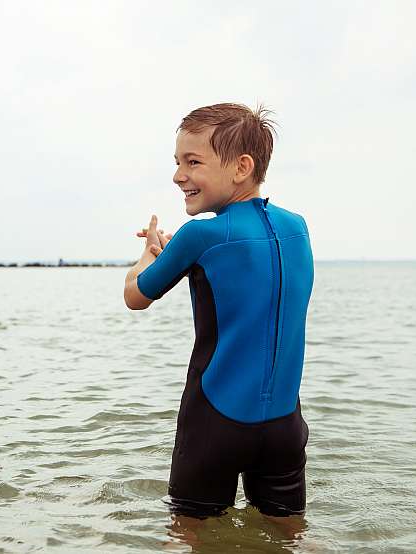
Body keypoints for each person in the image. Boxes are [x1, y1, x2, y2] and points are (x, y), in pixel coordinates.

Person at [123, 103, 314, 518]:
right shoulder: (297, 227)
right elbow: (243, 261)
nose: (178, 175)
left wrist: (147, 255)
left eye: (193, 162)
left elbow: (136, 295)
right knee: (289, 536)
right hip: (284, 427)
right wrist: (180, 252)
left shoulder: (200, 235)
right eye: (177, 162)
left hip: (215, 423)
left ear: (241, 167)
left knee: (188, 534)